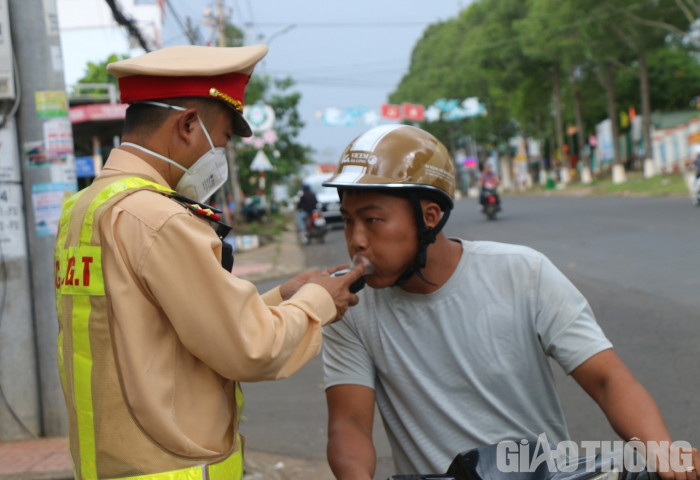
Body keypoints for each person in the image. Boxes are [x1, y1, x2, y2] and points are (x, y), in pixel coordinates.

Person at [53, 44, 365, 480]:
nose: (219, 156)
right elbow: (249, 349)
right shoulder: (158, 218)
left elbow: (170, 328)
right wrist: (318, 301)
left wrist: (279, 297)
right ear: (186, 125)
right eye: (220, 141)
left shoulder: (85, 210)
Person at [321, 125, 699, 478]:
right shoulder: (348, 307)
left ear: (430, 217)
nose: (356, 240)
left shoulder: (523, 273)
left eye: (372, 220)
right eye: (349, 220)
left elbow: (607, 379)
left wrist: (661, 450)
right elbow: (349, 424)